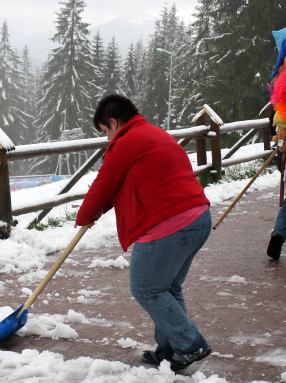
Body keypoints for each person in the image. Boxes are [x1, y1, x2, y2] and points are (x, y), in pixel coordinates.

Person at [75, 94, 212, 371]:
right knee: (167, 288)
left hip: (169, 224)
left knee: (146, 288)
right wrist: (100, 210)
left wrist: (84, 216)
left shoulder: (125, 142)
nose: (107, 140)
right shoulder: (154, 134)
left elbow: (103, 184)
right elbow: (126, 182)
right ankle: (169, 352)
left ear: (113, 122)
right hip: (198, 217)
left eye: (105, 133)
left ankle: (190, 344)